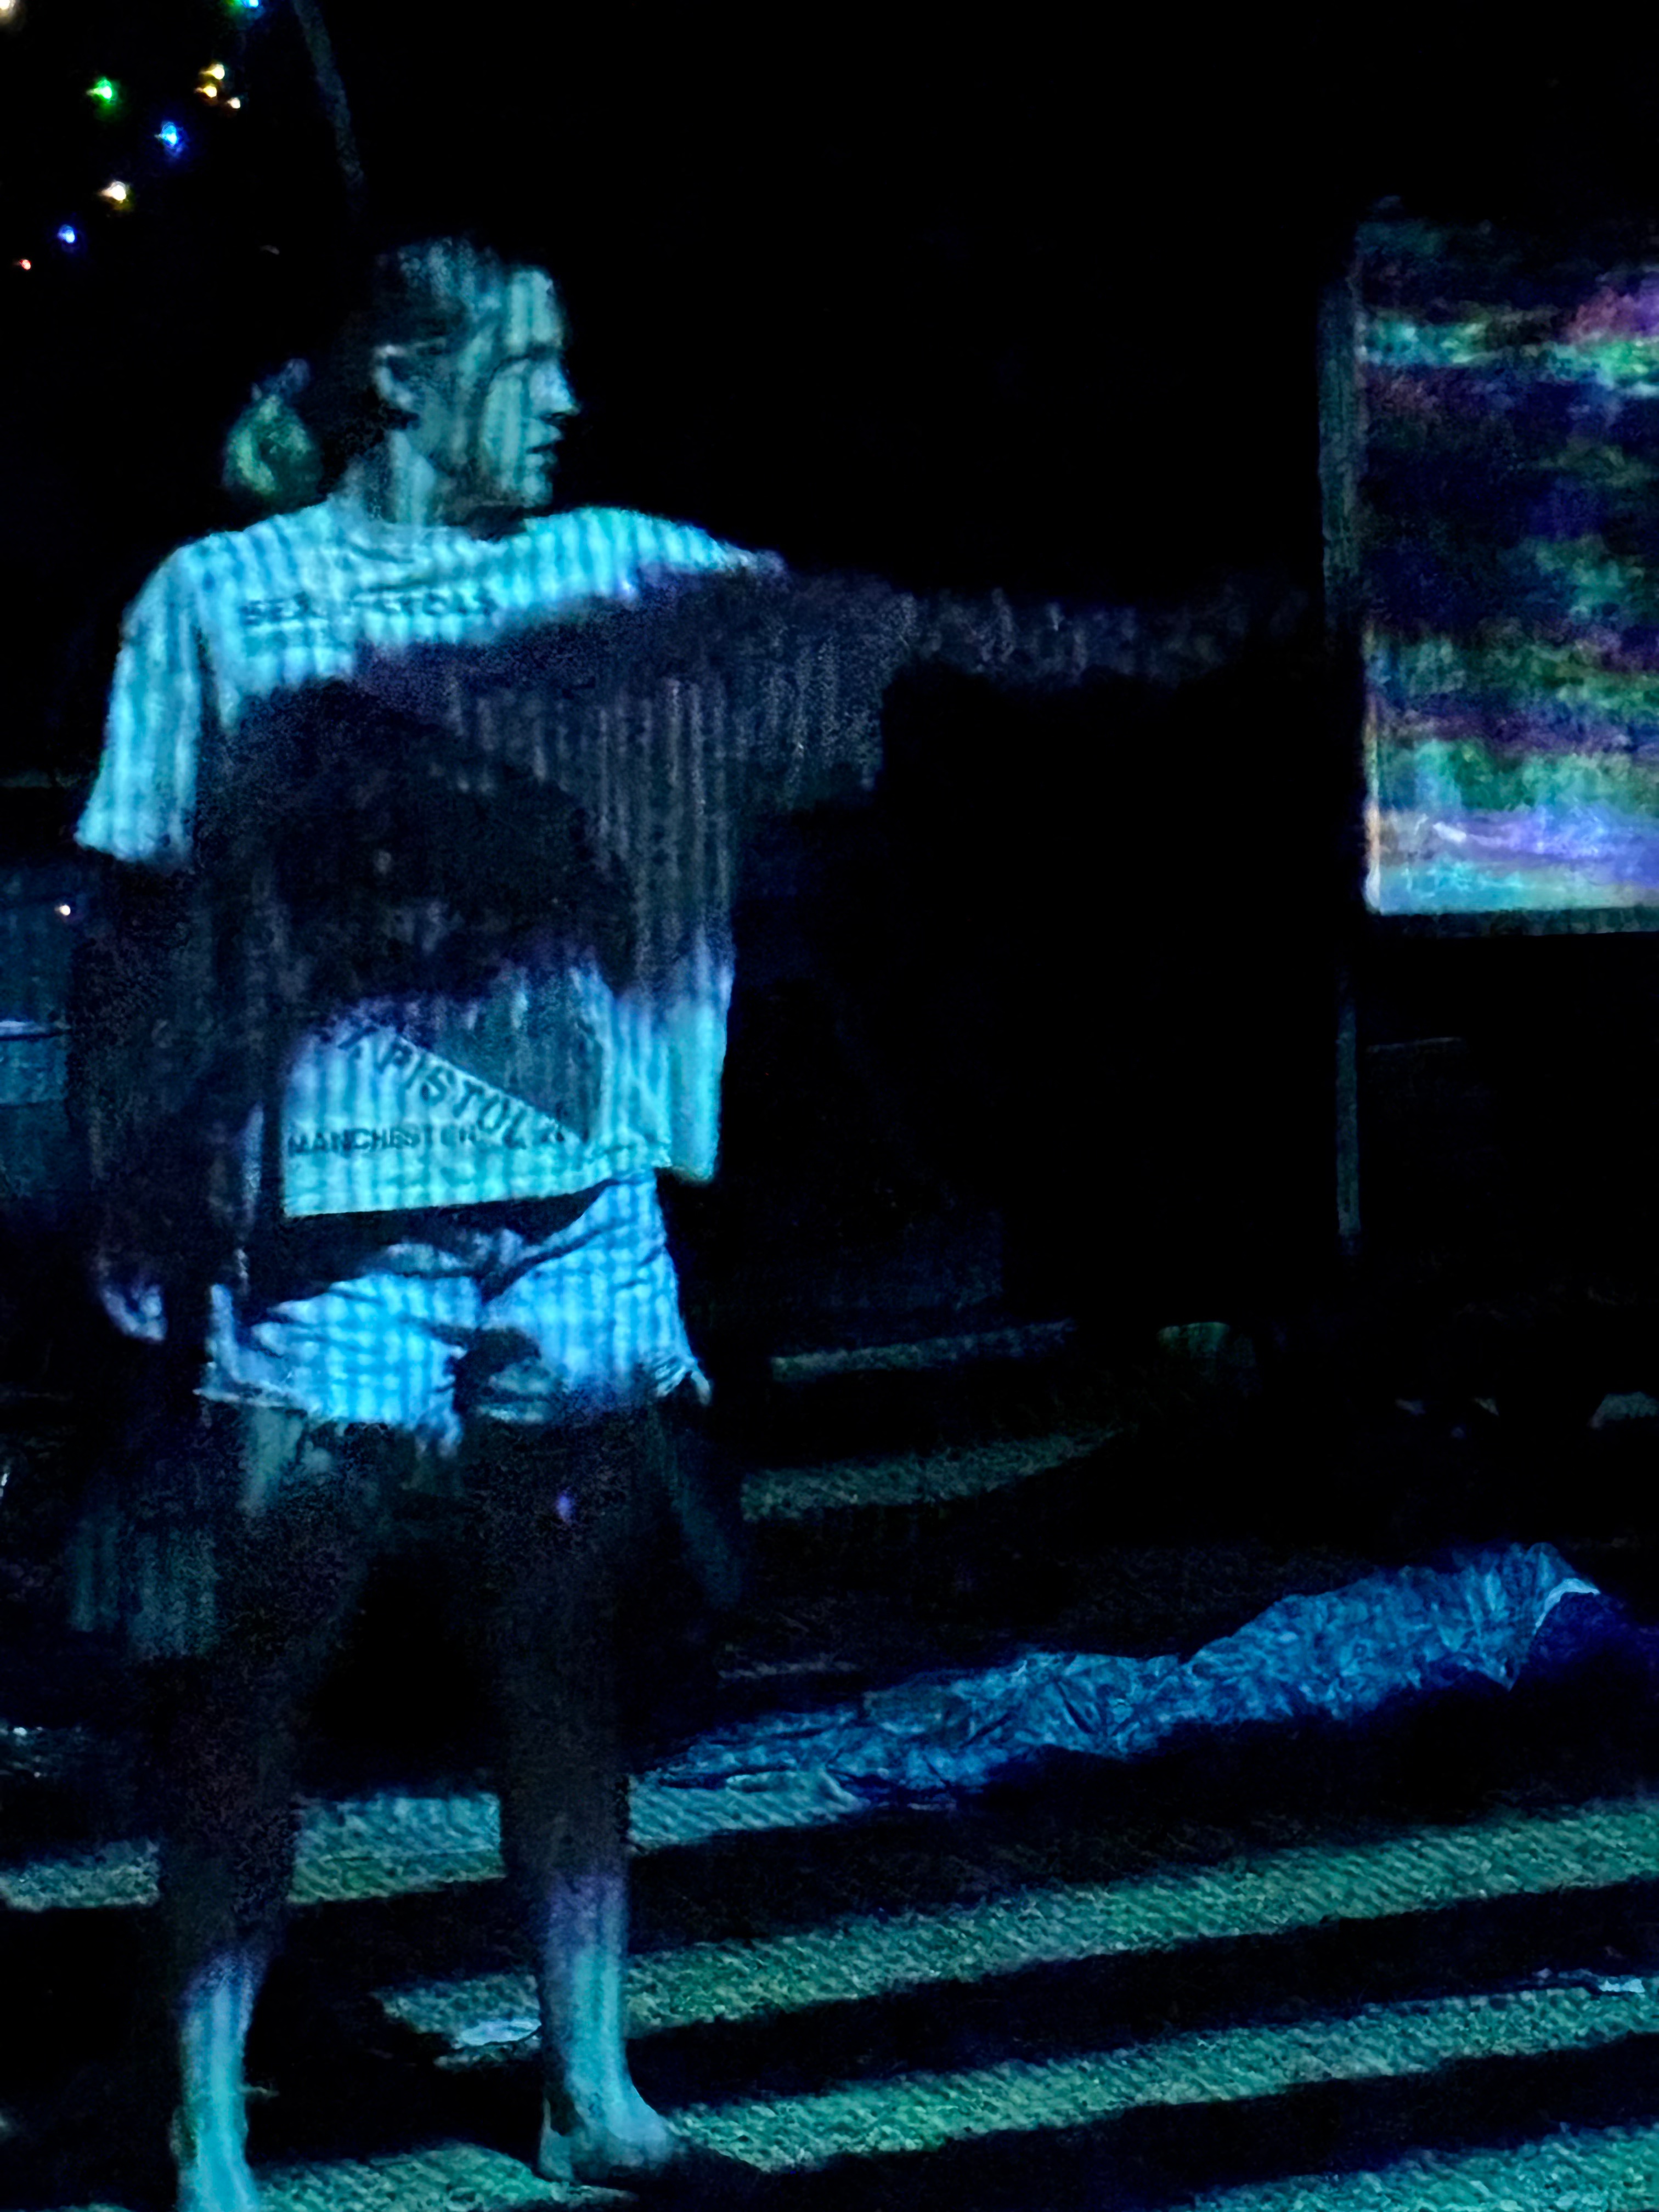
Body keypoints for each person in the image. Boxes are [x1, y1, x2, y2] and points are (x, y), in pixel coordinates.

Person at [68, 227, 1300, 2211]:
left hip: (577, 1212)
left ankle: (590, 2087)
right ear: (405, 378)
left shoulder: (622, 574)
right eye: (528, 361)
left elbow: (903, 627)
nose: (568, 399)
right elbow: (132, 905)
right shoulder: (220, 601)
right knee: (263, 1671)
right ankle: (202, 2129)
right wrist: (129, 1173)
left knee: (563, 1652)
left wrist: (1175, 639)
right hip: (334, 1225)